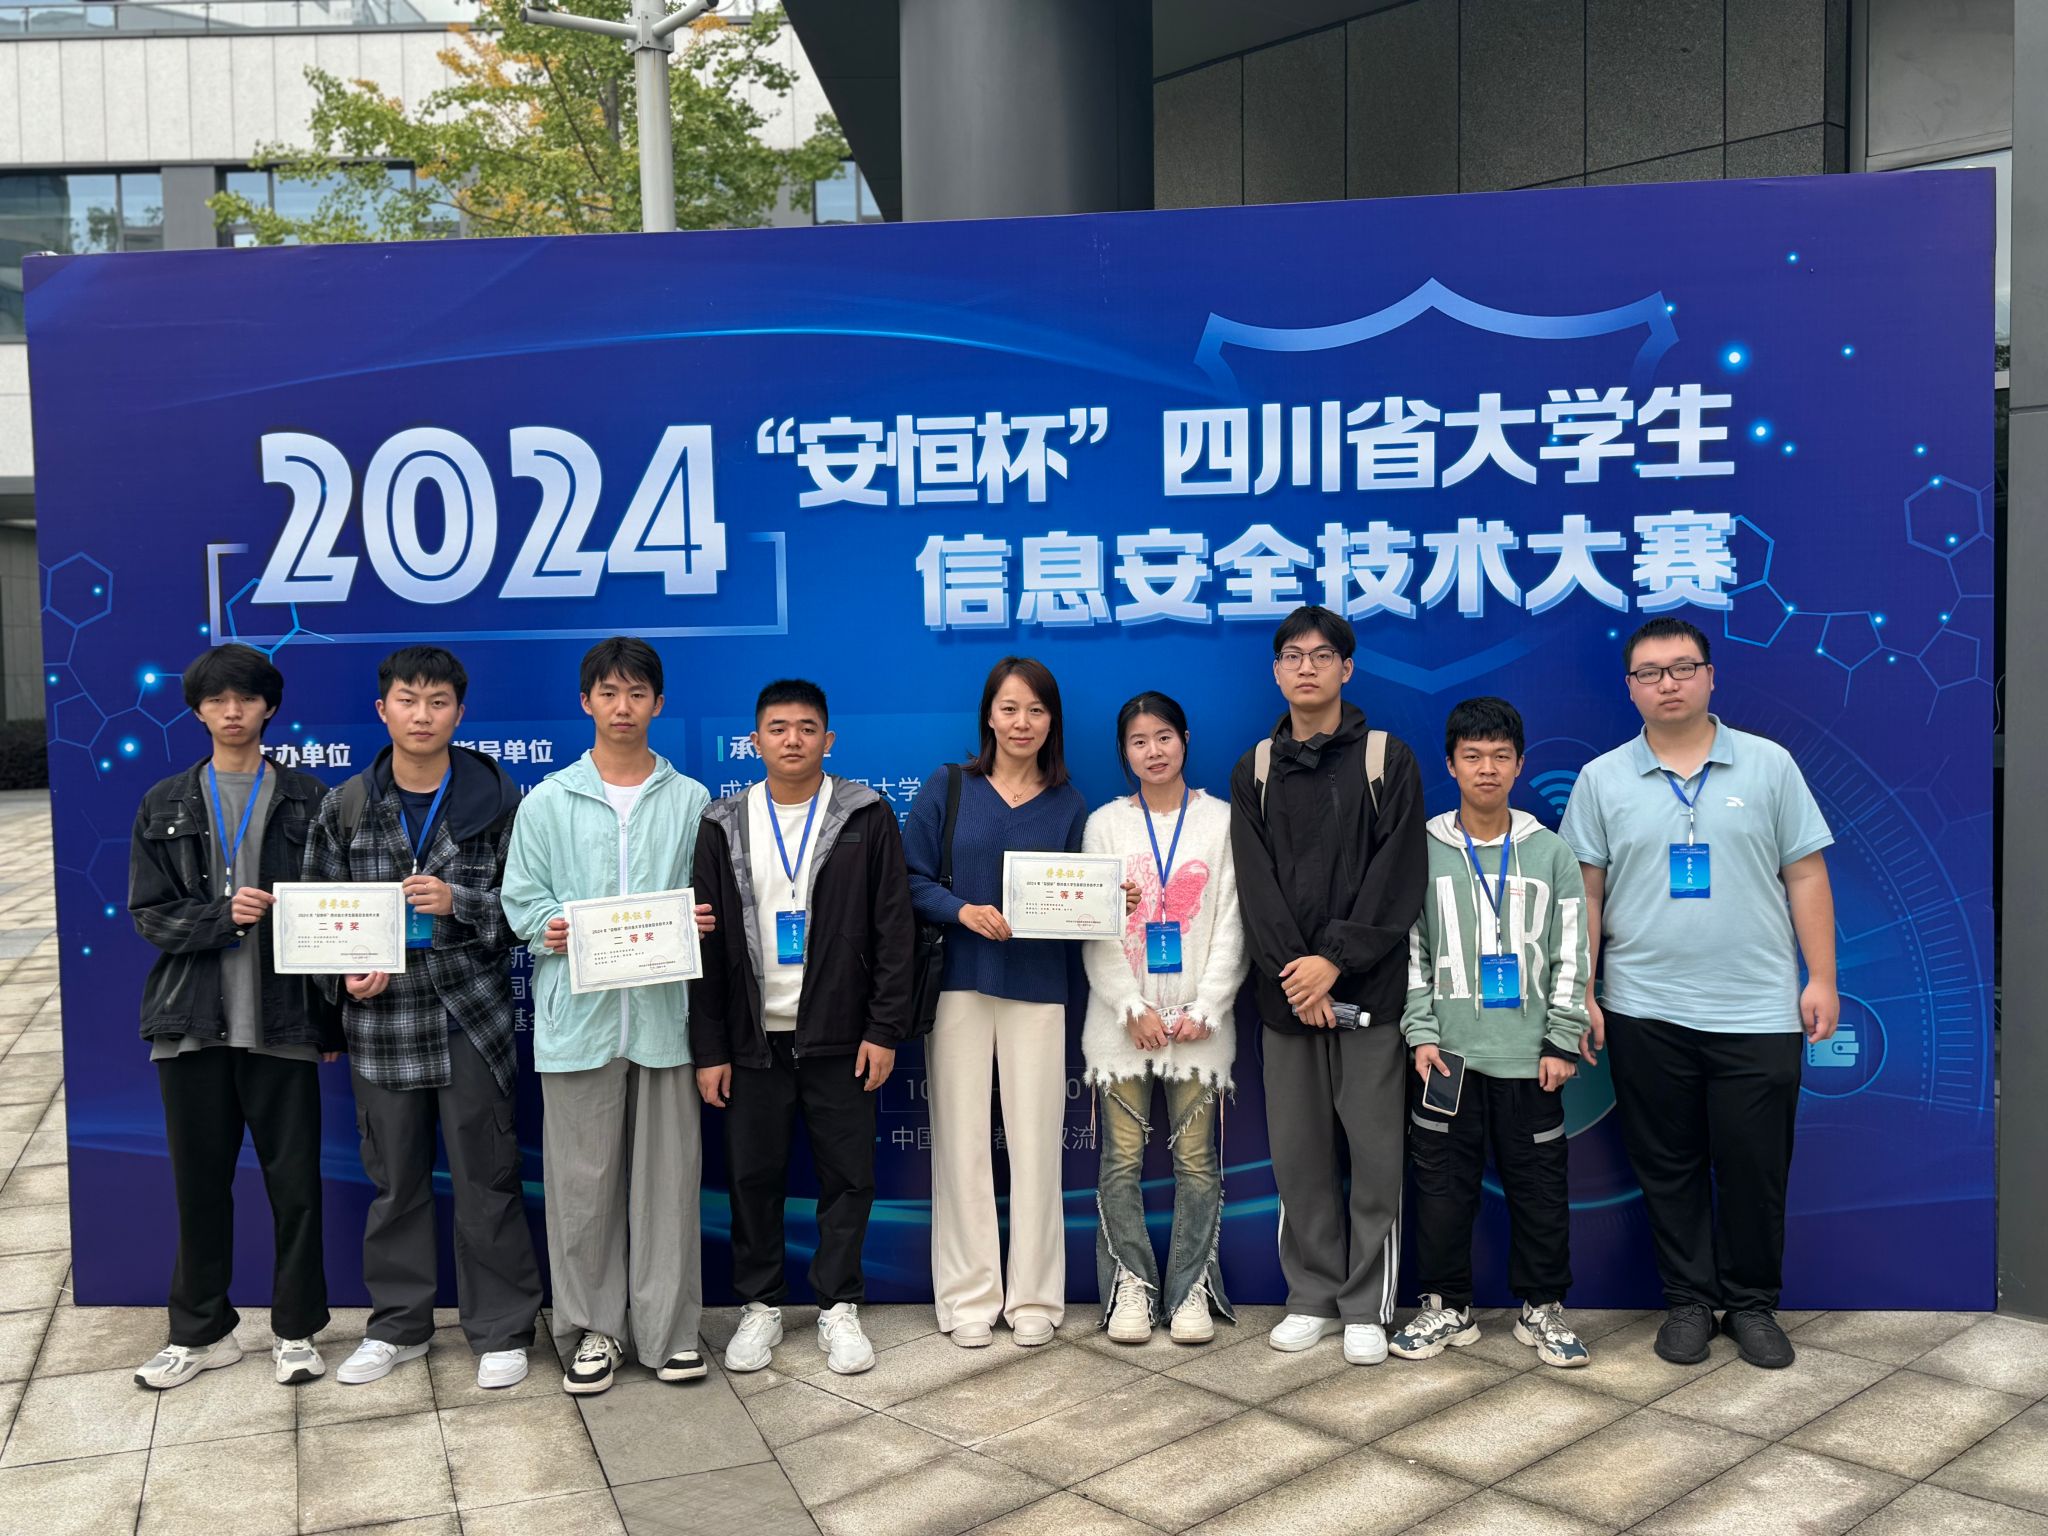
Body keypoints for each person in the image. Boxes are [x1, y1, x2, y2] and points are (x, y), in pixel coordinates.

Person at [1559, 618, 1837, 1371]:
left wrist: (1821, 977)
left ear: (1711, 676)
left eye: (1683, 668)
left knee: (1754, 1169)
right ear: (1630, 689)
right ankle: (1687, 1301)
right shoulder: (1602, 779)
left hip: (1758, 1009)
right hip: (1644, 1007)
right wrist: (1582, 991)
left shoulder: (1769, 765)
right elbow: (1587, 893)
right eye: (1650, 673)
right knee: (1667, 1166)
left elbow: (1806, 873)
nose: (1668, 683)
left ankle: (1752, 1305)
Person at [302, 645, 542, 1389]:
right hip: (383, 1027)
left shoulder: (498, 799)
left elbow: (527, 915)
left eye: (438, 702)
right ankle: (398, 1327)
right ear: (384, 710)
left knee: (487, 1179)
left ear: (459, 713)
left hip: (472, 1022)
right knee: (395, 1182)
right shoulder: (344, 806)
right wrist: (344, 976)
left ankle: (501, 1329)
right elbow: (316, 920)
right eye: (408, 700)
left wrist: (456, 902)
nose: (422, 715)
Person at [500, 637, 714, 1395]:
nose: (623, 707)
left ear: (659, 704)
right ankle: (593, 1330)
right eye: (609, 693)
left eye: (637, 693)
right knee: (581, 1189)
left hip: (663, 1022)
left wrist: (701, 920)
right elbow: (521, 897)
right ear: (586, 701)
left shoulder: (691, 800)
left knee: (668, 1184)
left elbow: (707, 895)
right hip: (579, 1021)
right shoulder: (548, 800)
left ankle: (670, 1331)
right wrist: (549, 926)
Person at [128, 645, 342, 1391]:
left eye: (246, 698)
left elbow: (339, 915)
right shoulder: (164, 802)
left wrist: (332, 1023)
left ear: (268, 707)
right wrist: (222, 918)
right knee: (199, 1186)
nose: (232, 711)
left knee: (297, 1188)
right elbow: (149, 914)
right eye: (217, 699)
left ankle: (296, 1331)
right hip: (190, 1024)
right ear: (197, 710)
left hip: (284, 1023)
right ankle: (201, 1333)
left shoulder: (311, 799)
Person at [690, 679, 916, 1377]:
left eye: (807, 728)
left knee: (847, 1178)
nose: (793, 740)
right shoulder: (723, 822)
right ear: (754, 741)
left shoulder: (865, 815)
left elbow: (894, 928)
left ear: (829, 739)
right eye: (778, 728)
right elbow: (705, 944)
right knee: (752, 1176)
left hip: (842, 1036)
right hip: (751, 1039)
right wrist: (710, 1047)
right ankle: (759, 1305)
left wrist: (884, 1029)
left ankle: (838, 1305)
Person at [1229, 605, 1425, 1366]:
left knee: (1375, 1155)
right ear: (1276, 671)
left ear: (1347, 668)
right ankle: (1311, 1294)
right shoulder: (1255, 768)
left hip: (1369, 995)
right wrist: (1299, 977)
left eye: (1321, 655)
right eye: (1291, 655)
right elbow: (1255, 886)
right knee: (1299, 1154)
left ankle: (1367, 1303)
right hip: (1287, 1000)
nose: (1305, 667)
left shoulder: (1386, 758)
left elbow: (1397, 875)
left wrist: (1334, 962)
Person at [1391, 697, 1591, 1369]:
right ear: (1450, 765)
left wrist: (1561, 1039)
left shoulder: (1550, 852)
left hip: (1530, 1060)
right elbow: (1411, 952)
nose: (1486, 768)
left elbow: (1570, 951)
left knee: (1541, 1190)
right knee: (1441, 1191)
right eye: (1472, 756)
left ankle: (1543, 1308)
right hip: (1445, 1059)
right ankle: (1446, 1306)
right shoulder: (1420, 851)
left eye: (1500, 756)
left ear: (1520, 764)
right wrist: (1421, 1033)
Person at [905, 657, 1088, 1348]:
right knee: (960, 1142)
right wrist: (961, 910)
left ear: (1052, 721)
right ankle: (968, 1297)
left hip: (1038, 986)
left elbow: (1081, 902)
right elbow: (908, 878)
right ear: (989, 715)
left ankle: (1035, 1297)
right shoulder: (950, 786)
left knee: (1037, 1143)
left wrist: (1110, 901)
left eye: (1036, 710)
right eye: (1009, 708)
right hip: (958, 982)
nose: (1022, 723)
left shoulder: (1069, 805)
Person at [1081, 691, 1246, 1347]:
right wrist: (1129, 1005)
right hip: (1121, 1025)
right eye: (1138, 741)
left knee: (1197, 1164)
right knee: (1121, 1162)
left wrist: (1209, 1005)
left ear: (1185, 739)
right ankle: (1131, 1284)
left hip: (1200, 1027)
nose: (1153, 751)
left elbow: (1234, 920)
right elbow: (1092, 927)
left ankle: (1190, 1288)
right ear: (1124, 752)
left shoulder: (1223, 821)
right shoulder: (1104, 825)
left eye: (1164, 737)